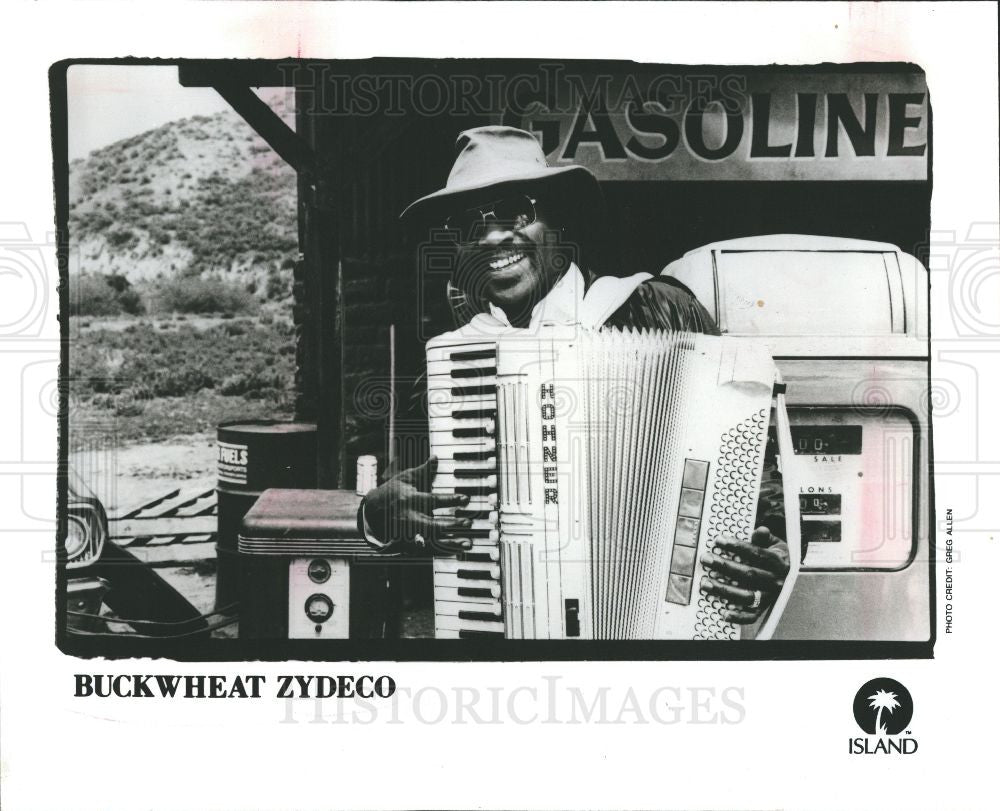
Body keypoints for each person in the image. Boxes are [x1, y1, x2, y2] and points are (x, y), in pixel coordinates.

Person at [361, 125, 789, 626]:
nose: (493, 236)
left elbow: (758, 476)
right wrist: (376, 516)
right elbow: (416, 527)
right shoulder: (453, 366)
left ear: (557, 221)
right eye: (467, 223)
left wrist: (774, 551)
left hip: (660, 637)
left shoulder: (659, 310)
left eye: (516, 211)